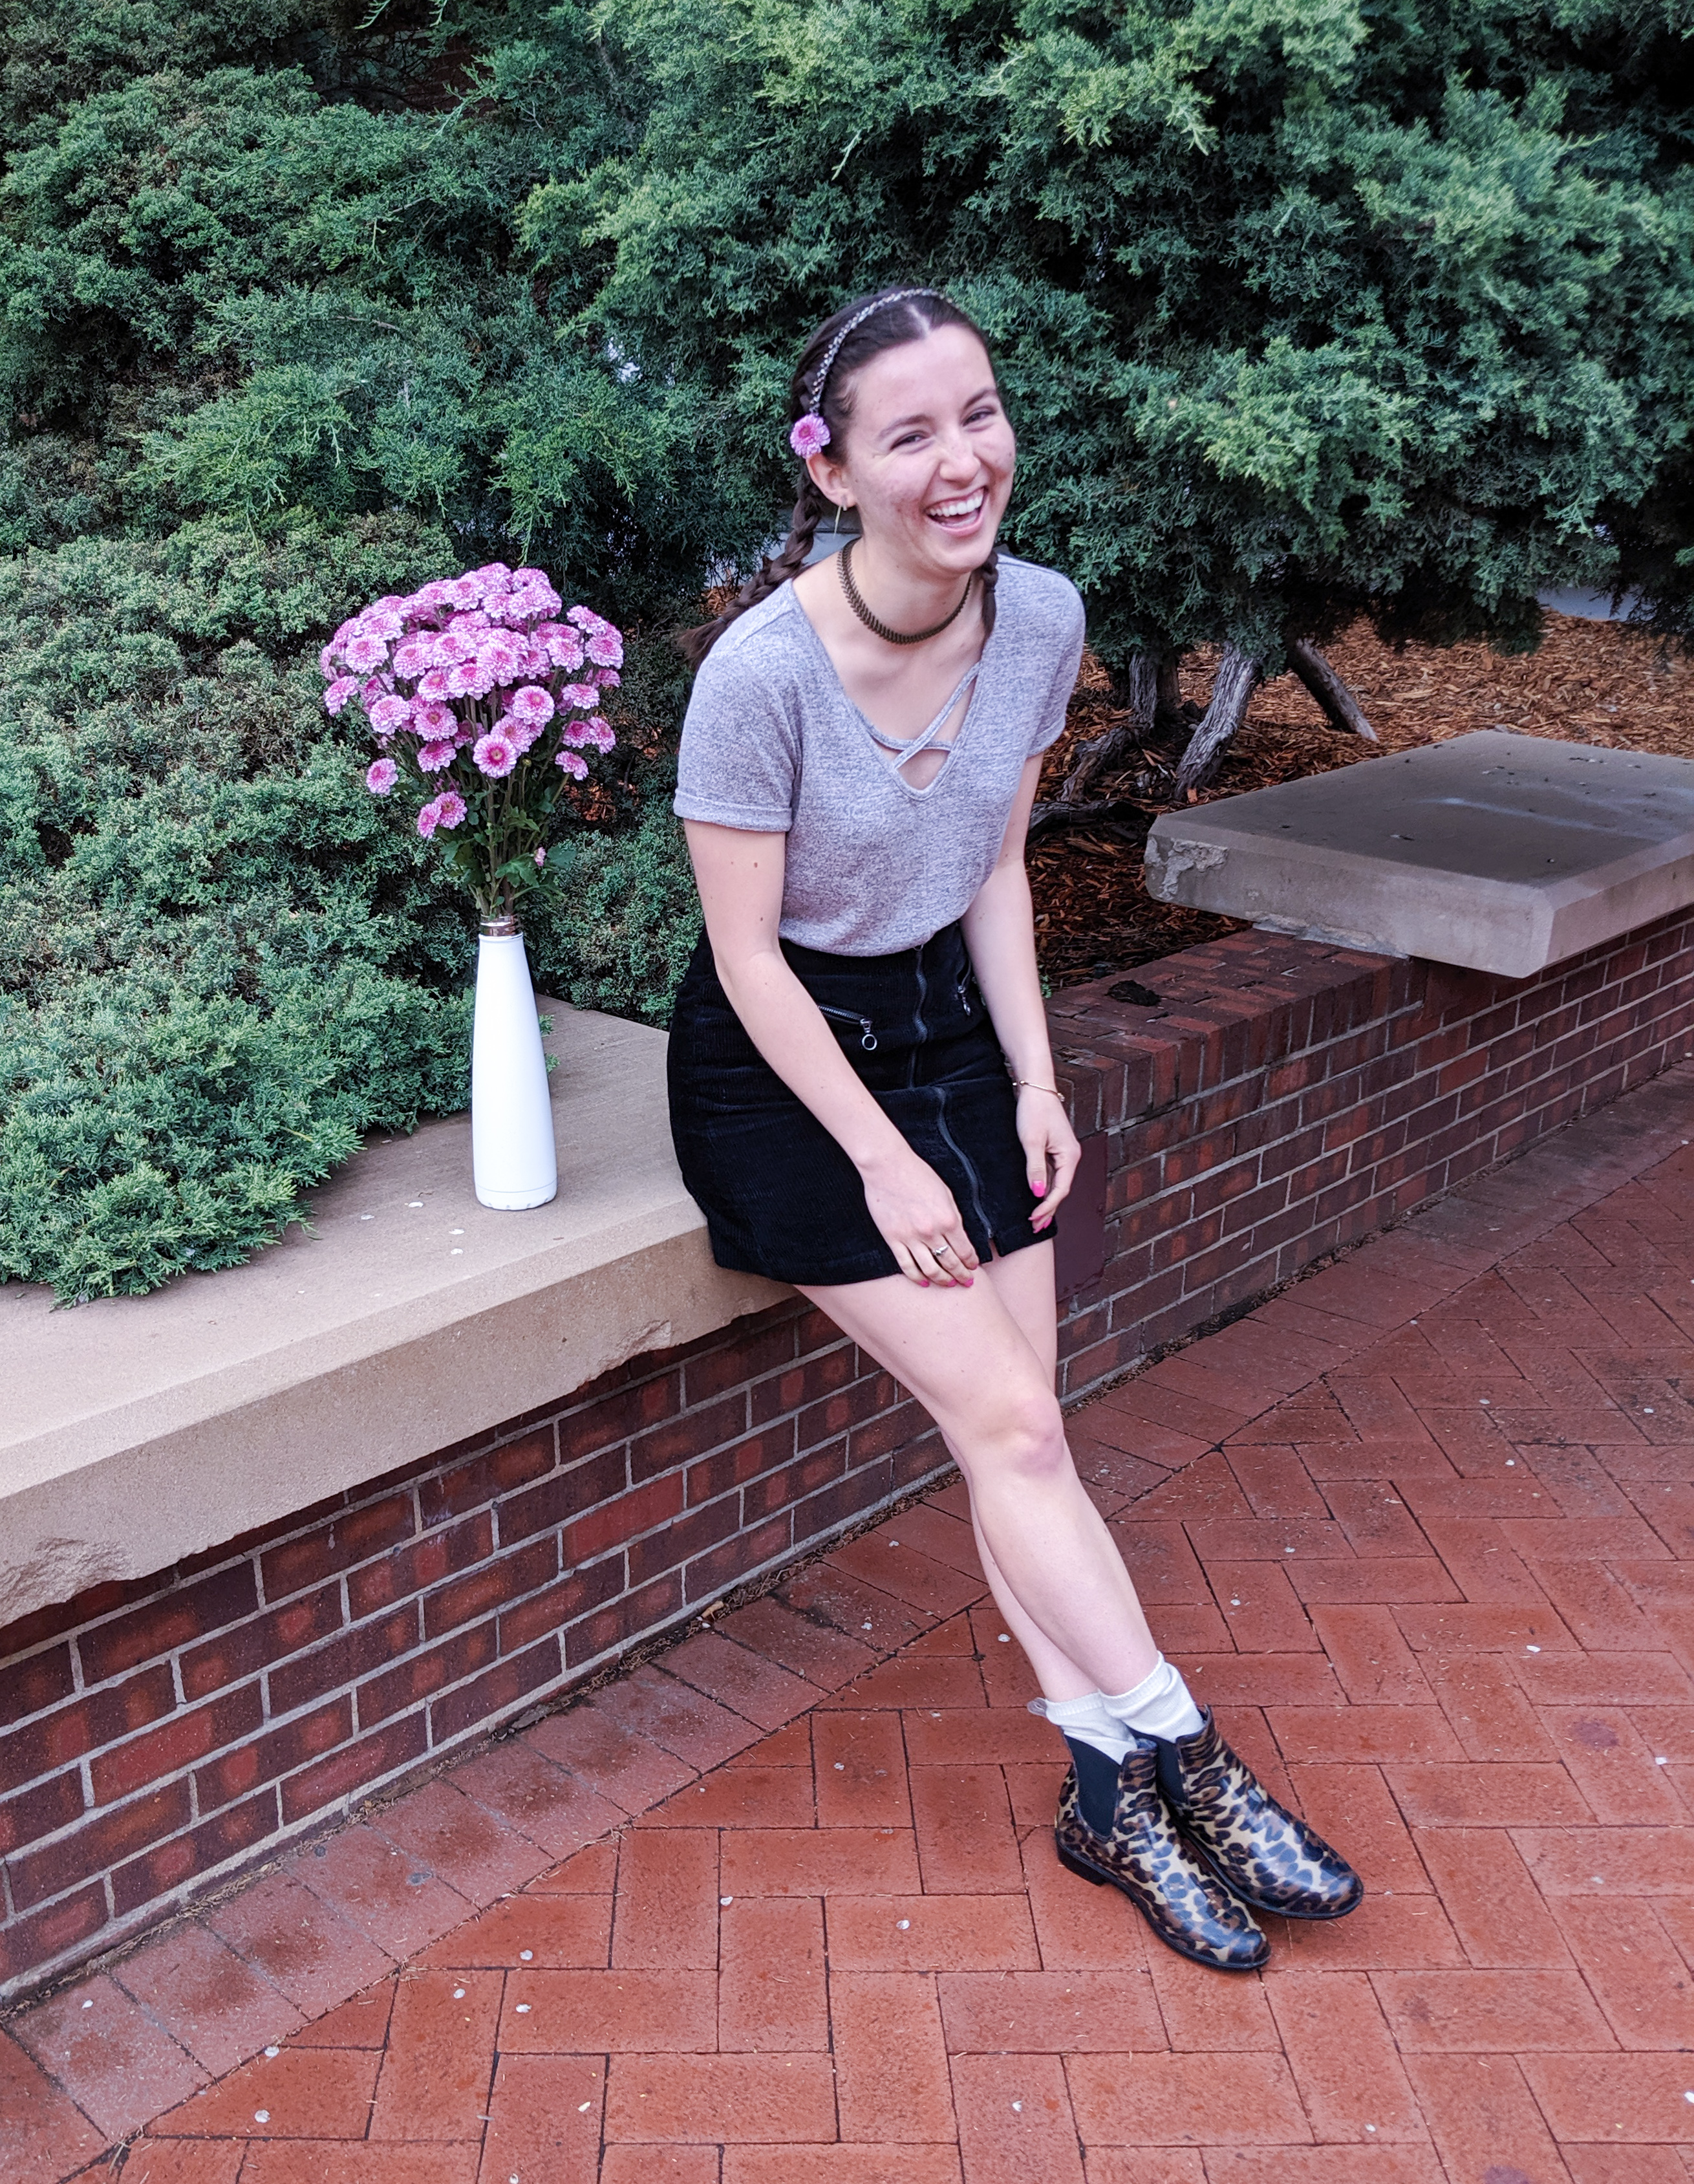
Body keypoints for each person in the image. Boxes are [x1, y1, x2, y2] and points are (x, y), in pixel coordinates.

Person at [667, 286, 1361, 1970]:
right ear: (829, 470)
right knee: (1019, 1429)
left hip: (955, 1038)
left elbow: (988, 864)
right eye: (908, 432)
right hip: (791, 1079)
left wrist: (1034, 1080)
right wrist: (884, 1160)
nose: (960, 457)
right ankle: (1183, 1750)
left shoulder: (1038, 618)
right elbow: (748, 956)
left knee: (1018, 1430)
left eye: (975, 412)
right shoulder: (756, 677)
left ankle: (1100, 1794)